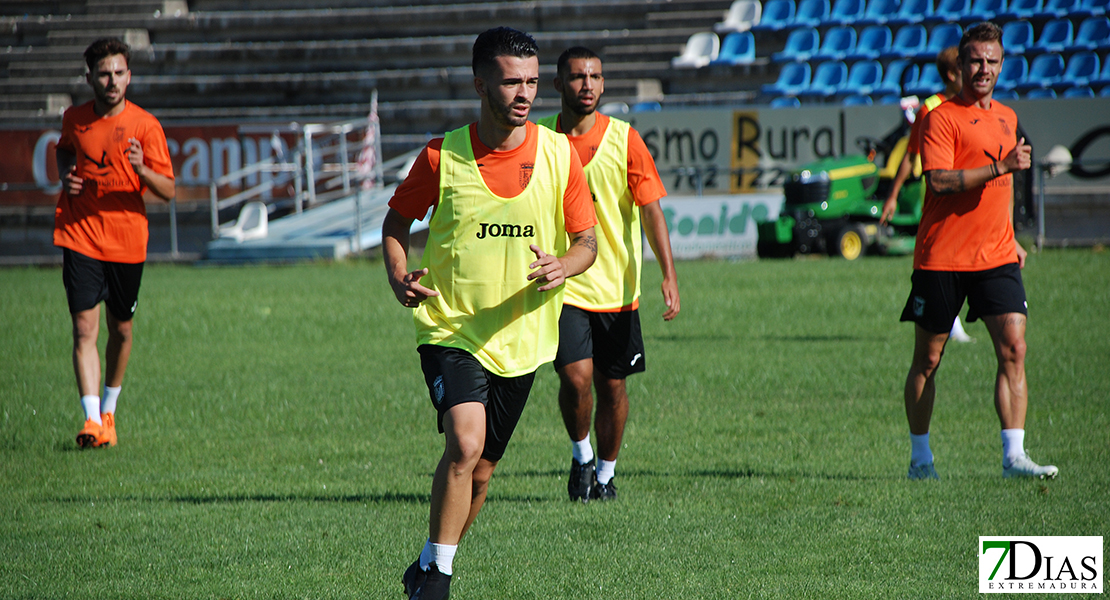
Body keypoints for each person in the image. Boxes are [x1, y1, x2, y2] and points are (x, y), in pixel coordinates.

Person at [383, 27, 597, 600]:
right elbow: (396, 224)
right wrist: (397, 274)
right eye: (511, 81)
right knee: (465, 442)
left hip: (523, 338)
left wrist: (565, 266)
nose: (524, 93)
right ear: (481, 83)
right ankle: (441, 585)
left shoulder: (559, 157)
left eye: (531, 81)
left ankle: (428, 563)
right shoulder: (441, 155)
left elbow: (587, 242)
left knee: (481, 473)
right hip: (451, 326)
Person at [899, 22, 1057, 481]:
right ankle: (920, 459)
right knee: (928, 359)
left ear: (1002, 65)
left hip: (997, 255)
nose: (982, 69)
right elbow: (939, 181)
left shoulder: (1007, 117)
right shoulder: (941, 118)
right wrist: (998, 166)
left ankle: (1014, 457)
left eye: (991, 61)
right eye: (974, 60)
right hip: (941, 256)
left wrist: (1010, 238)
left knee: (1014, 348)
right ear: (960, 65)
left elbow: (1004, 189)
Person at [537, 47, 680, 503]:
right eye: (578, 77)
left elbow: (652, 211)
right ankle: (581, 457)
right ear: (558, 84)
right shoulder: (539, 140)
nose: (588, 85)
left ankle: (606, 473)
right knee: (576, 378)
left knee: (612, 386)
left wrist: (669, 274)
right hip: (564, 285)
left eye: (595, 77)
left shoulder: (624, 139)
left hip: (617, 288)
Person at [54, 37, 176, 449]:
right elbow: (65, 152)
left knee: (120, 330)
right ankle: (91, 421)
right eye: (103, 73)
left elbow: (169, 190)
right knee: (83, 327)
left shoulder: (145, 126)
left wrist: (142, 169)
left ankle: (108, 409)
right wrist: (66, 177)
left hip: (127, 241)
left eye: (118, 73)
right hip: (81, 233)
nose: (111, 81)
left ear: (130, 76)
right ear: (89, 77)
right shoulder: (75, 119)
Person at [881, 46, 974, 343]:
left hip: (969, 191)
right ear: (951, 74)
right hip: (938, 192)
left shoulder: (975, 105)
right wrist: (893, 196)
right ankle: (951, 320)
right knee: (943, 254)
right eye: (965, 68)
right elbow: (911, 155)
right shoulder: (929, 108)